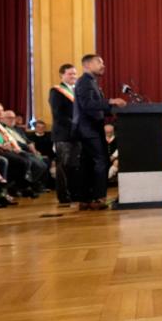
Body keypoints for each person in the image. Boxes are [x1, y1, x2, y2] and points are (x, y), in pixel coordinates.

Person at [73, 54, 126, 210]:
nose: (103, 65)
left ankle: (85, 199)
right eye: (99, 62)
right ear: (88, 65)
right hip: (88, 130)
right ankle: (98, 198)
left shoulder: (91, 82)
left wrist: (113, 110)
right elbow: (88, 104)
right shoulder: (84, 82)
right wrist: (111, 101)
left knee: (88, 164)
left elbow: (96, 107)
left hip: (90, 129)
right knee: (101, 161)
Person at [49, 63, 81, 205]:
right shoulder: (56, 91)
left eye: (74, 73)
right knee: (64, 166)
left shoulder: (76, 91)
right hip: (63, 134)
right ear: (62, 75)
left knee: (74, 165)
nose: (73, 76)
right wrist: (76, 125)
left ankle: (74, 193)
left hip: (76, 134)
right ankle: (63, 196)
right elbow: (58, 114)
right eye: (70, 74)